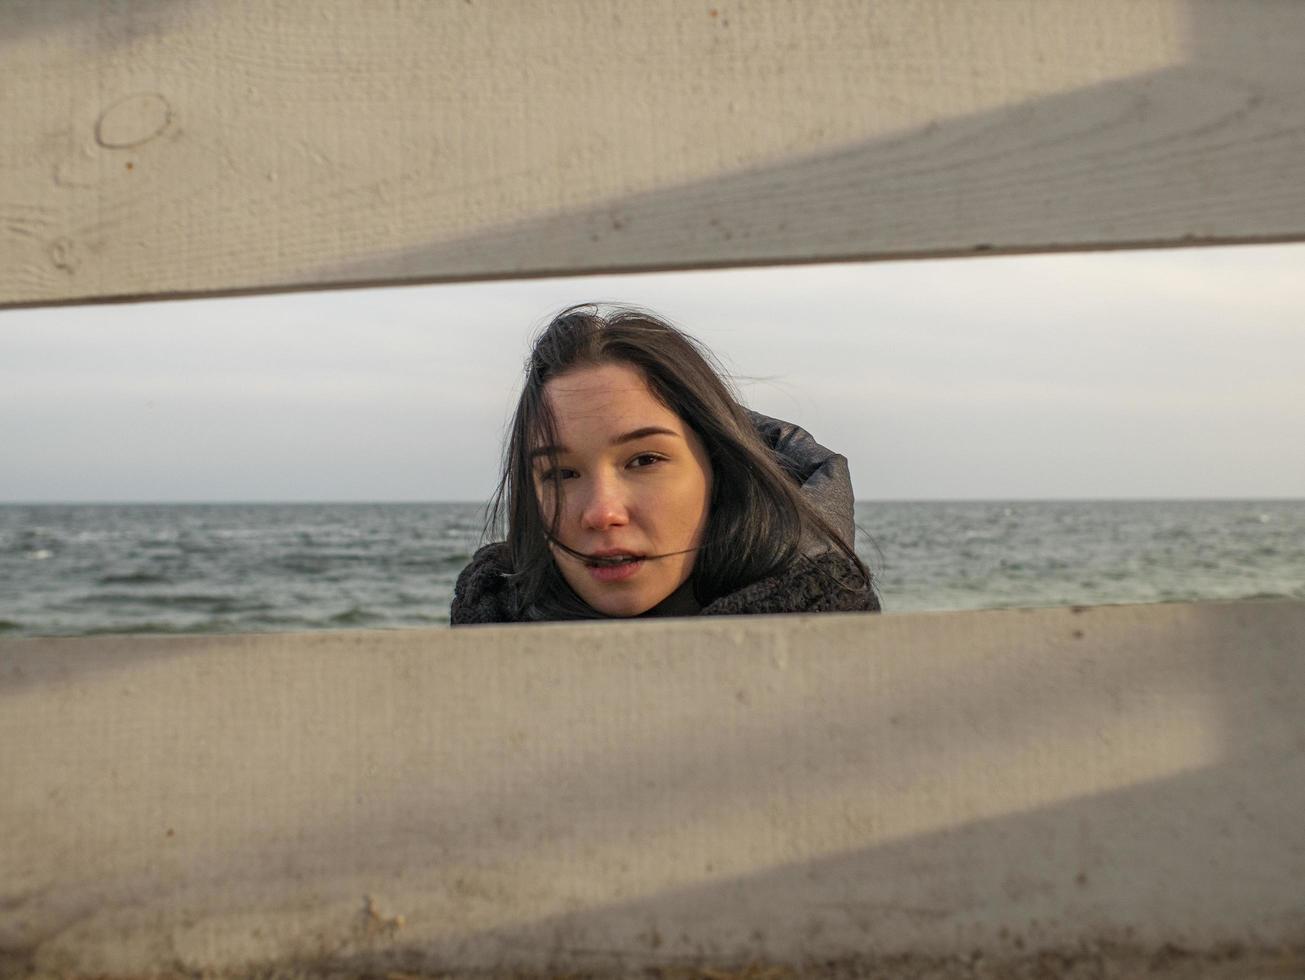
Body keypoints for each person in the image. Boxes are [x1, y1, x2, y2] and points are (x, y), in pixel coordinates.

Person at [450, 305, 879, 623]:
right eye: (561, 474)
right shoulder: (489, 636)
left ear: (718, 470)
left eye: (644, 460)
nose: (602, 513)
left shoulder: (836, 644)